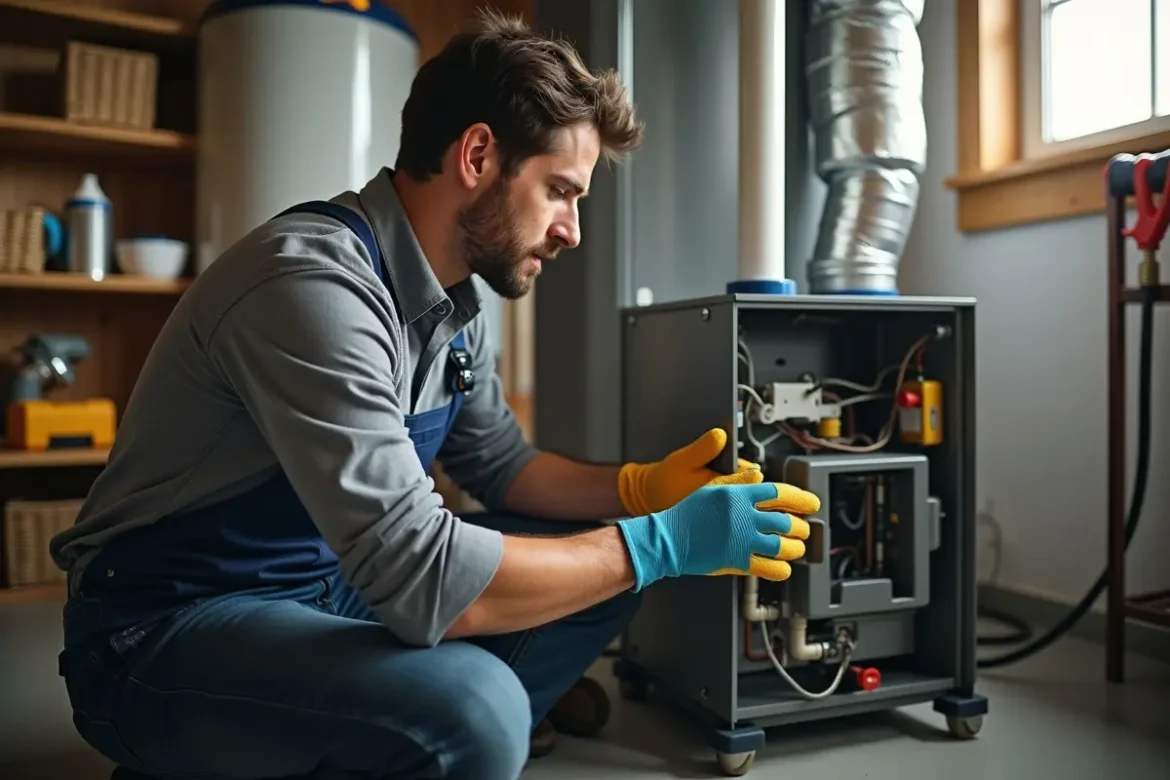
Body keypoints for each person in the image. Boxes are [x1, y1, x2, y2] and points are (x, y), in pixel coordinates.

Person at [50, 9, 818, 780]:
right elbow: (422, 577)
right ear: (479, 155)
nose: (571, 231)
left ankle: (342, 733)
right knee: (475, 710)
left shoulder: (457, 306)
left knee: (593, 568)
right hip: (165, 626)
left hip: (332, 588)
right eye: (559, 191)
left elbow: (502, 466)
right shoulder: (313, 286)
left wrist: (636, 493)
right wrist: (664, 543)